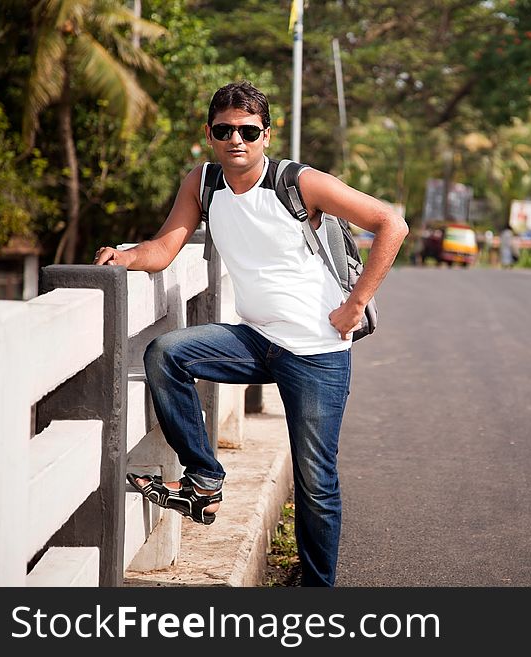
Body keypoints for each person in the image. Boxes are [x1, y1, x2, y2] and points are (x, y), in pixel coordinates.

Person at [93, 81, 408, 586]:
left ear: (266, 133)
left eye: (247, 130)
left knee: (315, 481)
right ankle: (204, 479)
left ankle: (316, 590)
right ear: (209, 134)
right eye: (224, 130)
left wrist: (356, 304)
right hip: (257, 339)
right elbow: (165, 248)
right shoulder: (203, 183)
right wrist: (124, 258)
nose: (236, 139)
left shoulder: (299, 182)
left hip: (315, 351)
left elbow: (391, 224)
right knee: (167, 353)